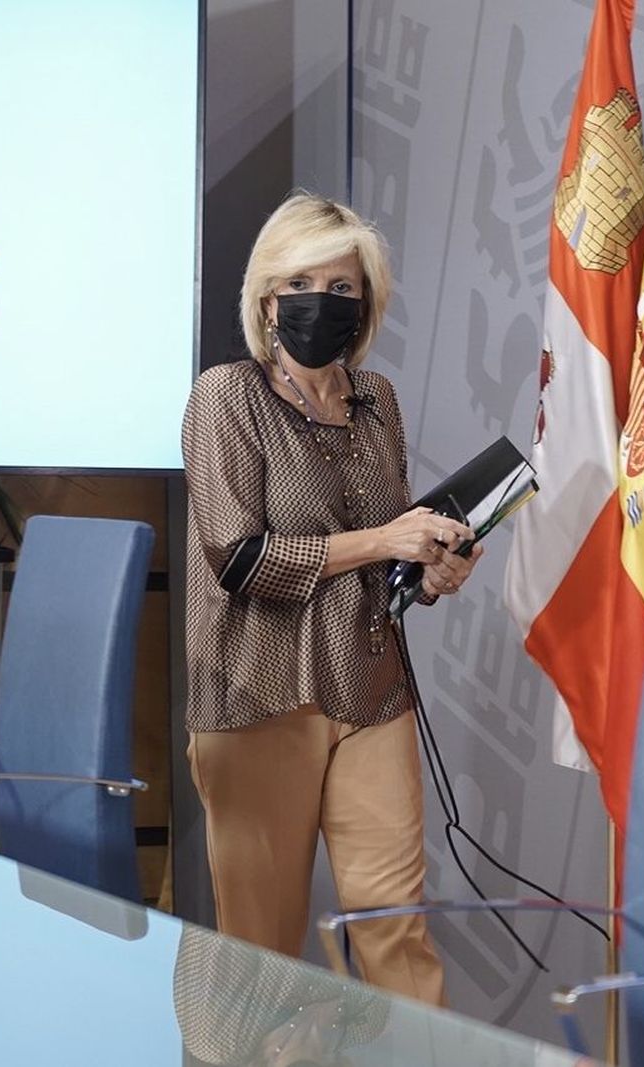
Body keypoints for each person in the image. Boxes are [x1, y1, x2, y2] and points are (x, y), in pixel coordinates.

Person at [181, 193, 481, 1006]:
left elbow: (387, 553)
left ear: (368, 302)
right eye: (303, 282)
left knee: (398, 932)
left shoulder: (377, 400)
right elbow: (240, 559)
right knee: (261, 954)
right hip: (259, 698)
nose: (324, 301)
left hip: (372, 688)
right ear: (267, 300)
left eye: (344, 287)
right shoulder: (226, 396)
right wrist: (387, 540)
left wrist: (429, 567)